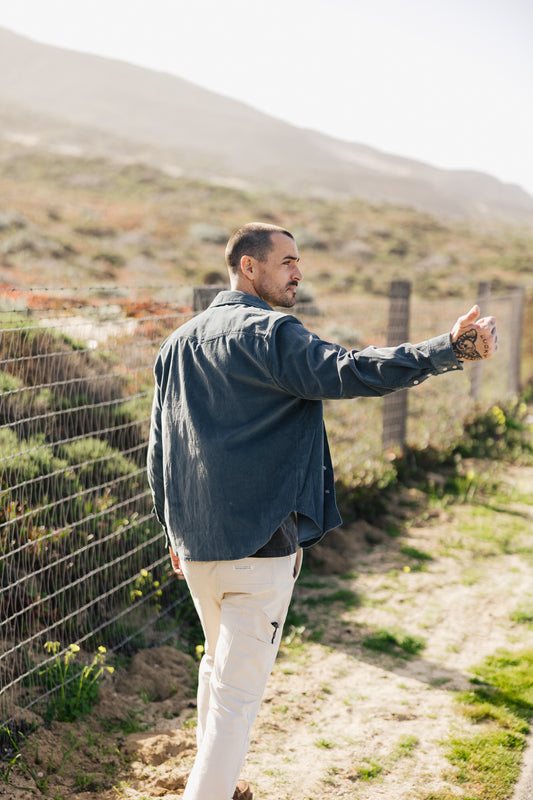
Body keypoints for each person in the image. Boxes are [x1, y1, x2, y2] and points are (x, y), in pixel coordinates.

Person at [147, 222, 497, 800]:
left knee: (217, 671)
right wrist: (448, 348)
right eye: (286, 262)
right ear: (248, 268)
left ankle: (219, 787)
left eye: (298, 261)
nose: (298, 273)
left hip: (197, 547)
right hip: (259, 549)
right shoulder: (272, 333)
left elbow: (160, 448)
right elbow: (352, 371)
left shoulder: (177, 342)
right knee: (236, 698)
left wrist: (171, 531)